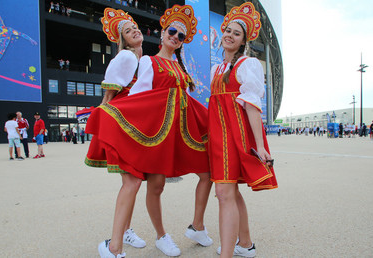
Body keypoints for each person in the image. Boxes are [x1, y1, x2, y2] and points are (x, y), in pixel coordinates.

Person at [89, 5, 212, 257]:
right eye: (173, 31)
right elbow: (138, 96)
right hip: (156, 136)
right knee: (155, 187)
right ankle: (161, 235)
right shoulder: (148, 61)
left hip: (180, 136)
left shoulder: (181, 68)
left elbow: (188, 104)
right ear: (163, 32)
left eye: (181, 36)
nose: (175, 36)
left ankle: (197, 226)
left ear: (181, 43)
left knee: (208, 173)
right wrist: (110, 111)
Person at [208, 3, 277, 257]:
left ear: (243, 41)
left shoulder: (248, 65)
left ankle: (227, 253)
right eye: (227, 30)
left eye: (236, 33)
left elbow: (251, 105)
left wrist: (259, 145)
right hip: (218, 136)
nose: (229, 34)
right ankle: (245, 244)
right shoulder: (217, 69)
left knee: (224, 193)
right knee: (230, 192)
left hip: (236, 134)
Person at [85, 8, 146, 258]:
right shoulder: (128, 57)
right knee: (132, 181)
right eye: (128, 31)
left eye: (135, 28)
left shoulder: (141, 59)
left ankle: (125, 231)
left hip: (131, 119)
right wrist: (104, 113)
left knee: (132, 181)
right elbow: (110, 90)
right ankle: (114, 245)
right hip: (123, 119)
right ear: (123, 39)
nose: (134, 31)